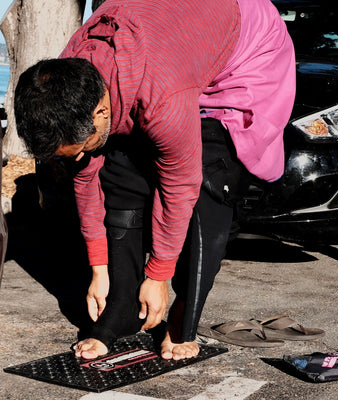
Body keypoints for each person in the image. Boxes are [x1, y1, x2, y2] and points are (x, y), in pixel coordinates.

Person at [14, 0, 296, 361]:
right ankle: (121, 310)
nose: (78, 156)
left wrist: (159, 275)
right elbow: (86, 178)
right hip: (170, 42)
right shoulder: (69, 75)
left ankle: (182, 319)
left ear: (101, 111)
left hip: (247, 45)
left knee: (210, 177)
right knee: (117, 168)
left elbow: (180, 185)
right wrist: (99, 270)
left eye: (79, 146)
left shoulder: (162, 95)